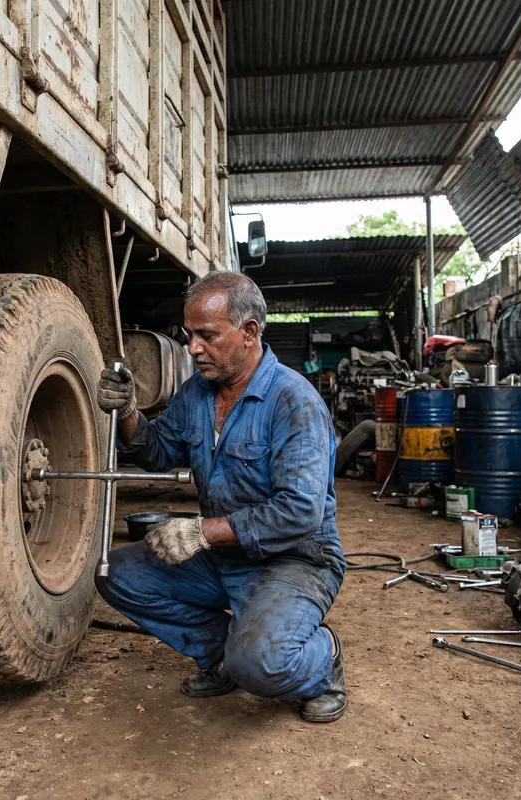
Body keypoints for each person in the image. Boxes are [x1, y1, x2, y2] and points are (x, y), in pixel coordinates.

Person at [96, 271, 346, 722]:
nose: (193, 348)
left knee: (264, 666)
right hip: (223, 553)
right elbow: (155, 452)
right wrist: (130, 412)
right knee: (115, 573)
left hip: (295, 559)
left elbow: (301, 512)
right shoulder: (196, 393)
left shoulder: (295, 402)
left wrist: (203, 532)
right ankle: (220, 655)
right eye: (189, 335)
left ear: (249, 332)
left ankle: (323, 659)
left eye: (207, 335)